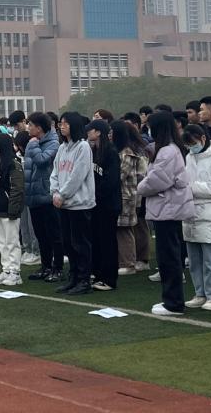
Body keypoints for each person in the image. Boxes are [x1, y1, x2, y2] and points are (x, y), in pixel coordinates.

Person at [138, 111, 196, 316]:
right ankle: (170, 300)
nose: (149, 130)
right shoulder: (166, 150)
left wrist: (140, 187)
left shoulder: (168, 151)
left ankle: (174, 303)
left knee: (169, 257)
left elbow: (157, 180)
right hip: (165, 208)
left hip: (168, 209)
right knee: (166, 256)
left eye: (150, 126)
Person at [181, 124, 211, 311]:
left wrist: (190, 188)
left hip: (210, 213)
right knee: (194, 259)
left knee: (210, 258)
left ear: (202, 138)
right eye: (188, 145)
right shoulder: (190, 157)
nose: (191, 147)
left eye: (193, 143)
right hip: (190, 213)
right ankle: (200, 293)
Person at [50, 112, 96, 296]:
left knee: (80, 243)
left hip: (79, 204)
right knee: (68, 243)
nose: (61, 126)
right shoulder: (63, 148)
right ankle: (74, 277)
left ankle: (84, 280)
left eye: (66, 123)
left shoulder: (83, 147)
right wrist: (55, 192)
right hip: (63, 204)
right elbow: (55, 172)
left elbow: (78, 175)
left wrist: (63, 194)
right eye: (61, 123)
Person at [22, 113, 63, 282]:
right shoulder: (34, 142)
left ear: (39, 128)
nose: (28, 128)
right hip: (33, 195)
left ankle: (57, 268)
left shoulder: (53, 143)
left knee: (54, 234)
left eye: (31, 125)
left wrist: (33, 145)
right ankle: (45, 266)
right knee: (41, 234)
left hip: (47, 195)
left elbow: (42, 160)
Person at [87, 119, 121, 291]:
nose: (88, 133)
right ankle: (98, 273)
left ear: (99, 132)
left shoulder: (111, 152)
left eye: (91, 130)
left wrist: (97, 193)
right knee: (97, 240)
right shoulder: (93, 151)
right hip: (95, 203)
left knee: (108, 241)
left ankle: (109, 278)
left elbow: (111, 180)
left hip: (108, 203)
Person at [111, 119, 149, 276]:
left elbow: (120, 175)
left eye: (112, 132)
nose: (109, 135)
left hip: (127, 196)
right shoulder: (120, 151)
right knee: (123, 229)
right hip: (123, 196)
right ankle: (126, 260)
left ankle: (129, 263)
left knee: (126, 229)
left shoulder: (127, 153)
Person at [0, 132, 25, 286]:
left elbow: (17, 188)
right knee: (2, 242)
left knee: (12, 242)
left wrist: (13, 209)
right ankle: (6, 269)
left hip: (9, 210)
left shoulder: (13, 164)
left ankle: (15, 272)